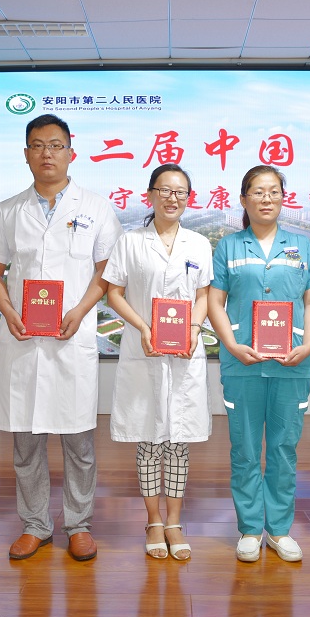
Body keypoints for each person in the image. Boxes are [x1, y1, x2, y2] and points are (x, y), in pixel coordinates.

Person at [0, 114, 123, 562]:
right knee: (26, 443)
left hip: (72, 338)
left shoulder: (95, 207)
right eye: (38, 145)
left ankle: (79, 525)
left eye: (56, 145)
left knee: (79, 442)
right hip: (24, 340)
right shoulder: (8, 210)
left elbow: (106, 272)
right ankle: (35, 525)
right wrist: (8, 311)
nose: (47, 154)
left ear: (71, 153)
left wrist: (81, 310)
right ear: (26, 154)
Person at [207, 165, 310, 563]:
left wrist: (308, 343)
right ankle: (248, 529)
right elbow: (215, 301)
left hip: (292, 363)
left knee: (283, 448)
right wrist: (230, 343)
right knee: (244, 448)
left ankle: (278, 529)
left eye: (274, 191)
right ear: (243, 199)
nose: (266, 198)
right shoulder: (228, 247)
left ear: (283, 198)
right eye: (257, 191)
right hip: (242, 363)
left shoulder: (302, 245)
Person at [103, 164, 212, 561]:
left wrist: (194, 329)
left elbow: (203, 295)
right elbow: (114, 293)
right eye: (164, 190)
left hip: (184, 354)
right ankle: (152, 521)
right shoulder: (130, 242)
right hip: (143, 349)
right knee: (149, 439)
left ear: (189, 198)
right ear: (150, 195)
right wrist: (143, 327)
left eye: (180, 192)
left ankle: (174, 522)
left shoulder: (199, 244)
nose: (172, 198)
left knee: (178, 440)